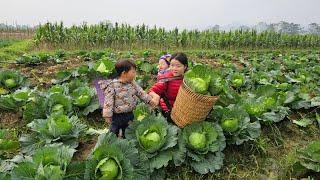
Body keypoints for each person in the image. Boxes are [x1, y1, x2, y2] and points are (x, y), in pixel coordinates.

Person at [99, 60, 157, 138]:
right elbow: (108, 101)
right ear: (124, 73)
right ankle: (111, 141)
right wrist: (107, 115)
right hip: (117, 116)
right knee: (114, 131)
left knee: (128, 130)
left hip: (130, 113)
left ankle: (126, 141)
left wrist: (149, 100)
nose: (135, 74)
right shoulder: (112, 86)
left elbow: (141, 93)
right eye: (133, 72)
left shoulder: (132, 83)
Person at [149, 53, 188, 122]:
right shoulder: (166, 79)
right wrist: (155, 96)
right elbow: (152, 90)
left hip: (184, 111)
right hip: (169, 111)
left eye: (178, 66)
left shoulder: (188, 79)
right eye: (172, 65)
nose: (174, 69)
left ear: (185, 67)